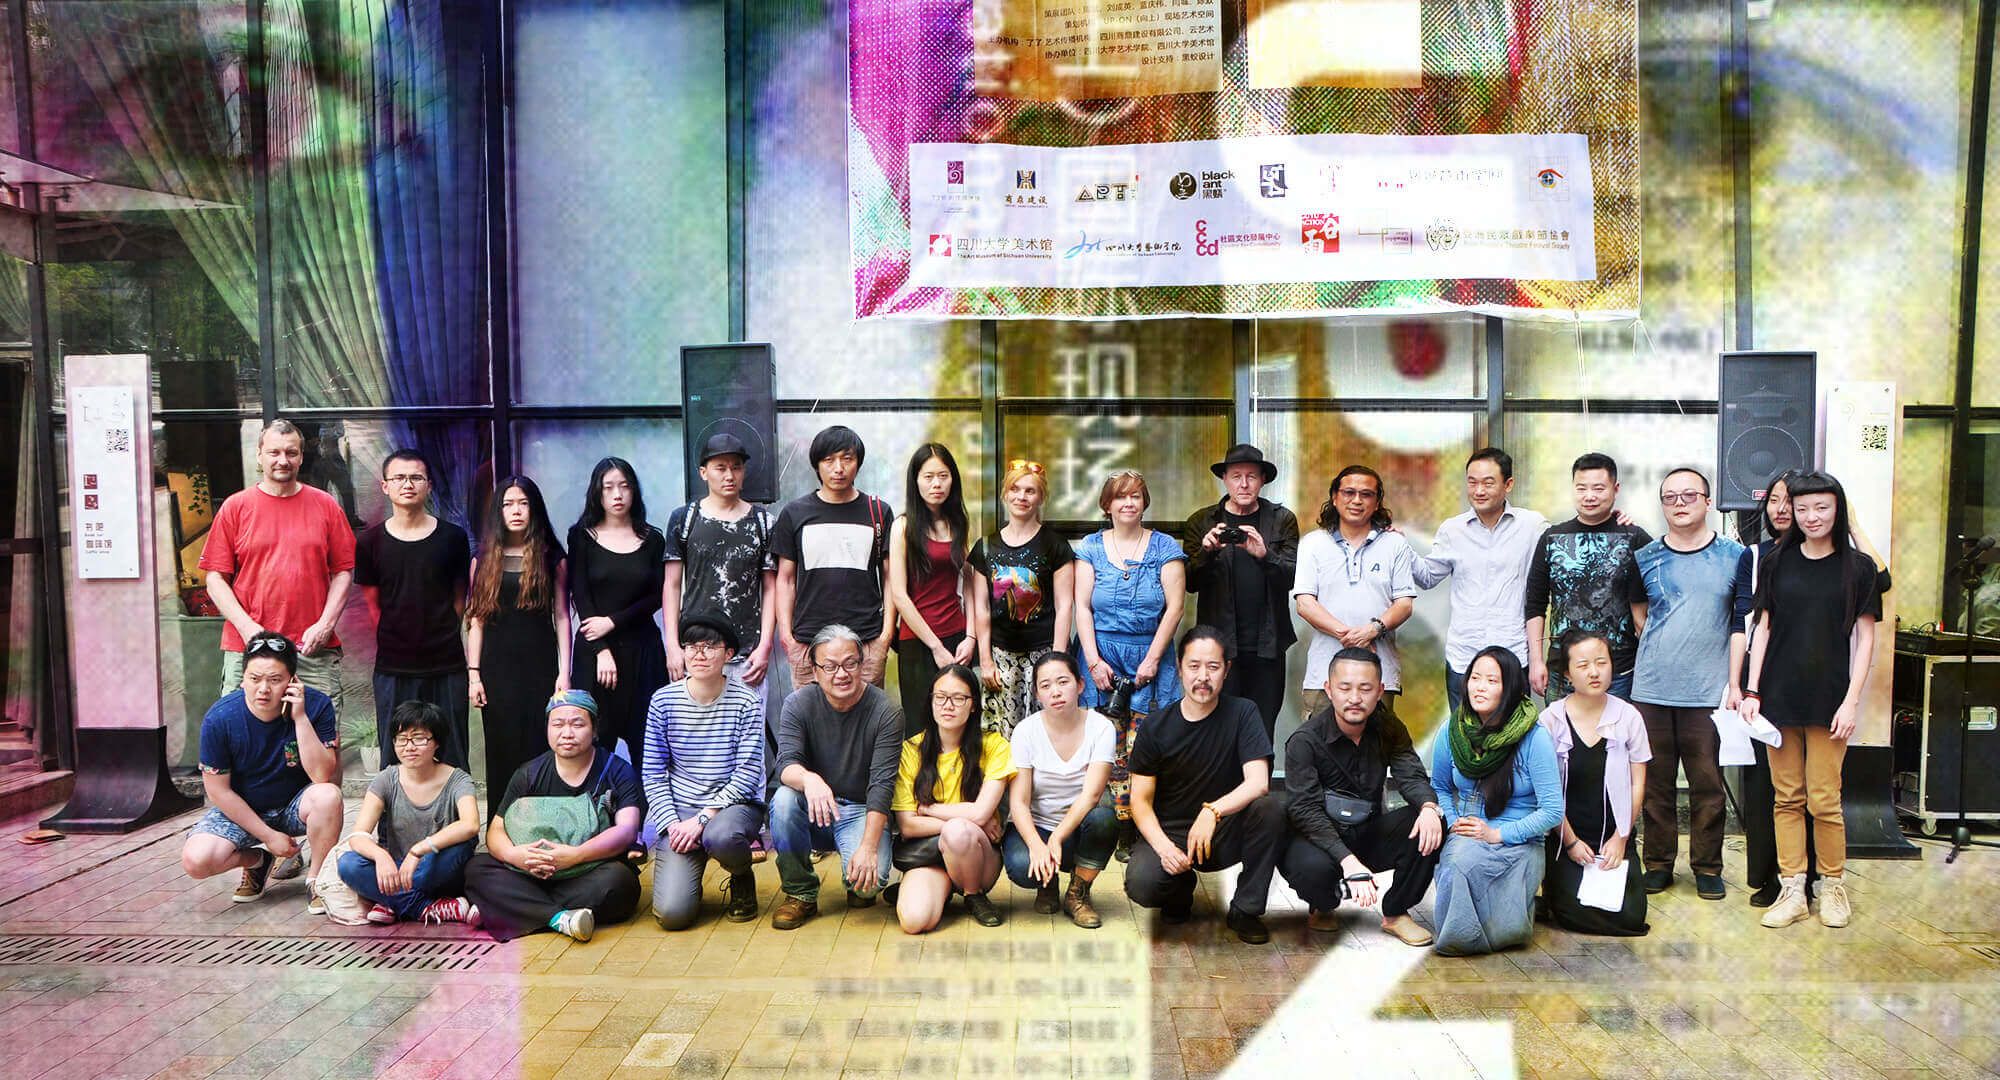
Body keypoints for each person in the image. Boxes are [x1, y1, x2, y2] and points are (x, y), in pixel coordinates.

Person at [198, 419, 354, 882]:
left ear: (302, 456)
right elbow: (215, 577)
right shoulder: (236, 508)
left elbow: (344, 571)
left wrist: (326, 622)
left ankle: (322, 865)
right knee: (244, 748)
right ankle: (261, 850)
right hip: (248, 650)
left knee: (324, 757)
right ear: (259, 454)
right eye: (274, 452)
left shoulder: (325, 506)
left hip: (312, 647)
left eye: (291, 452)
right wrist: (248, 628)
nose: (282, 460)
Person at [1740, 471, 1884, 930]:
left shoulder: (1857, 568)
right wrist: (1752, 690)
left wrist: (1851, 701)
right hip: (1779, 697)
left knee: (1824, 799)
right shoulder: (1777, 561)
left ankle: (1833, 886)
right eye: (1802, 508)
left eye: (1821, 507)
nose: (1810, 516)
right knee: (1786, 798)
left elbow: (1865, 639)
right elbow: (1762, 627)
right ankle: (1793, 889)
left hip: (1830, 700)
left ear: (1837, 509)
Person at [1123, 627, 1289, 945]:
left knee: (1270, 809)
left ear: (1226, 670)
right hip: (1173, 834)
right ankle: (1178, 890)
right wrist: (1165, 849)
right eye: (1194, 666)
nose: (1203, 676)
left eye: (1213, 667)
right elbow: (1140, 801)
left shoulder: (1243, 713)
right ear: (1179, 668)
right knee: (1143, 884)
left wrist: (1212, 812)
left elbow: (1258, 782)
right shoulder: (1155, 727)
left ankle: (1245, 910)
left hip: (1225, 830)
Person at [1631, 467, 1749, 900]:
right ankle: (1658, 863)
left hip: (1708, 692)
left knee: (1707, 785)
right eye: (1670, 497)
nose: (1679, 504)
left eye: (1689, 495)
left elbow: (1741, 621)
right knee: (1655, 785)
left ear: (1707, 501)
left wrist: (1735, 683)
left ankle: (1707, 867)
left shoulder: (1735, 556)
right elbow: (1639, 613)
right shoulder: (1645, 557)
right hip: (1652, 688)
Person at [1280, 647, 1441, 945]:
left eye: (1365, 689)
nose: (1355, 698)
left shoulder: (1388, 727)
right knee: (1310, 870)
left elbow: (1410, 774)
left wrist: (1429, 807)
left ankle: (1396, 913)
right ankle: (1324, 903)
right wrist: (1348, 862)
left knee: (1428, 823)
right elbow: (1305, 811)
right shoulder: (1305, 741)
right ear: (1329, 690)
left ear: (1380, 691)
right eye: (1345, 688)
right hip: (1321, 839)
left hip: (1367, 831)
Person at [178, 632, 342, 914]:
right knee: (197, 861)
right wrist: (268, 836)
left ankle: (318, 880)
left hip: (295, 805)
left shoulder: (317, 705)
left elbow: (321, 775)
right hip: (245, 809)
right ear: (243, 678)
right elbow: (218, 791)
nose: (263, 689)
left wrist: (300, 717)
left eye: (275, 680)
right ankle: (257, 862)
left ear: (292, 681)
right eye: (254, 678)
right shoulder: (220, 718)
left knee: (328, 796)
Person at [463, 691, 645, 943]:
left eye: (577, 724)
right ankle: (559, 918)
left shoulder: (617, 770)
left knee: (620, 882)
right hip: (531, 873)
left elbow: (626, 830)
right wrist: (514, 855)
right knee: (477, 868)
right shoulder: (529, 773)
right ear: (548, 729)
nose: (567, 733)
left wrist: (575, 856)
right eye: (558, 724)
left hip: (587, 871)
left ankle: (506, 908)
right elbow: (496, 830)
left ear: (594, 730)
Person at [1074, 470, 1186, 851]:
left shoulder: (1165, 547)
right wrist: (1093, 662)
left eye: (1135, 496)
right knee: (1110, 745)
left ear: (1144, 502)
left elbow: (1175, 608)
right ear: (1107, 504)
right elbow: (1082, 607)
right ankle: (1121, 826)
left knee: (1148, 744)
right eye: (1120, 497)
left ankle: (1146, 823)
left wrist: (1152, 660)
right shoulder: (1090, 548)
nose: (1128, 503)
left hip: (1150, 656)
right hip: (1102, 656)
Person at [1429, 645, 1563, 956]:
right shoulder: (1452, 730)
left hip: (1520, 837)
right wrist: (1453, 822)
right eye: (1475, 678)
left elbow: (1553, 810)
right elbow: (1439, 786)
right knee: (1460, 862)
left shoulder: (1534, 736)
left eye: (1492, 681)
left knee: (1507, 927)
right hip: (1468, 829)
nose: (1480, 687)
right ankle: (1460, 939)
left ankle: (1500, 930)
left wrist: (1497, 834)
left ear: (1510, 687)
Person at [769, 625, 903, 929]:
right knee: (784, 800)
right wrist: (810, 780)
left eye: (849, 663)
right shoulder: (798, 704)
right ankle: (800, 892)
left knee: (868, 885)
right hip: (815, 807)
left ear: (862, 664)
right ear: (815, 671)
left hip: (860, 808)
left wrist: (868, 848)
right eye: (830, 666)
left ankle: (855, 878)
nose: (841, 674)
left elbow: (882, 786)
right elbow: (786, 764)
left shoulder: (886, 711)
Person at [642, 616, 767, 929]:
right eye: (692, 646)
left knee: (721, 836)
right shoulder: (663, 701)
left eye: (710, 646)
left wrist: (702, 819)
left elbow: (747, 774)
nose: (699, 654)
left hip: (731, 808)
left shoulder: (746, 701)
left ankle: (740, 874)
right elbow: (653, 774)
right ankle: (687, 883)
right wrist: (672, 824)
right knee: (672, 915)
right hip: (681, 810)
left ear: (728, 654)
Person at [356, 449, 472, 770]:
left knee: (451, 752)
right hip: (394, 666)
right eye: (399, 478)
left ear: (429, 485)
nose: (407, 484)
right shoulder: (370, 542)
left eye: (416, 478)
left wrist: (442, 632)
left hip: (446, 663)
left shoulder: (453, 537)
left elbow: (459, 598)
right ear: (385, 486)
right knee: (396, 756)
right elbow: (373, 605)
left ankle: (455, 806)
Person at [662, 433, 778, 750]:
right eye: (720, 467)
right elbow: (672, 585)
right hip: (695, 652)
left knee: (747, 746)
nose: (729, 475)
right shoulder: (684, 519)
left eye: (736, 467)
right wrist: (672, 646)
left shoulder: (763, 522)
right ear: (704, 472)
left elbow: (771, 588)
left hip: (747, 657)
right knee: (695, 745)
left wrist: (765, 646)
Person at [1414, 448, 1550, 715]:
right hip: (1464, 657)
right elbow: (1427, 577)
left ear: (1508, 484)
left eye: (1488, 483)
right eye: (1472, 482)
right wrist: (1397, 545)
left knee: (1513, 734)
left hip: (1512, 655)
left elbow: (1564, 552)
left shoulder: (1532, 526)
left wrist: (1612, 521)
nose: (1478, 491)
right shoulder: (1452, 530)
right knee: (1464, 735)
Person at [1182, 444, 1300, 740]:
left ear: (1262, 480)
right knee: (1217, 730)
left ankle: (1259, 774)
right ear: (1225, 479)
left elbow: (1292, 578)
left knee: (1261, 729)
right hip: (1218, 647)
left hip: (1267, 645)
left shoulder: (1282, 519)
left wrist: (1264, 555)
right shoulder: (1202, 521)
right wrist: (1207, 552)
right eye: (1236, 476)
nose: (1244, 484)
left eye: (1251, 476)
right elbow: (1190, 583)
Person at [1537, 632, 1651, 936]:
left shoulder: (1628, 716)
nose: (1594, 672)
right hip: (1567, 837)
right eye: (1583, 665)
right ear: (1567, 673)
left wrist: (1621, 837)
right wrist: (1571, 842)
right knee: (1571, 912)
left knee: (1631, 918)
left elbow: (1637, 784)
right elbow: (1546, 792)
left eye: (1601, 662)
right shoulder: (1551, 720)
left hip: (1614, 835)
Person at [466, 476, 572, 797]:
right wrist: (474, 676)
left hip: (540, 666)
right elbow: (476, 620)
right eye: (508, 504)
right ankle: (500, 821)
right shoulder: (482, 559)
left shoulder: (553, 558)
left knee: (539, 743)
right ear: (498, 511)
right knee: (500, 746)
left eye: (523, 503)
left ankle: (541, 815)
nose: (516, 511)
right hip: (495, 670)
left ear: (534, 509)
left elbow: (562, 617)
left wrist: (564, 673)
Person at [891, 666, 1015, 933]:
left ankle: (973, 895)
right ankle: (941, 889)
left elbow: (981, 814)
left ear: (973, 705)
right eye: (941, 697)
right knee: (915, 921)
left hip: (979, 857)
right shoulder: (911, 750)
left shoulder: (995, 746)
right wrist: (971, 819)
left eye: (959, 698)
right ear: (931, 701)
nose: (948, 705)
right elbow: (908, 826)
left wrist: (928, 809)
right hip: (931, 855)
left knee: (959, 831)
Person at [774, 425, 897, 691]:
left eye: (846, 458)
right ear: (817, 465)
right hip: (808, 642)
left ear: (858, 463)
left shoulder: (878, 512)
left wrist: (885, 636)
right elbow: (785, 580)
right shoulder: (794, 514)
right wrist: (787, 639)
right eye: (829, 460)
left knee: (866, 714)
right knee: (809, 714)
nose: (838, 468)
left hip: (866, 641)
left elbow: (890, 579)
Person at [337, 701, 482, 926]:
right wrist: (381, 856)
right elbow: (358, 836)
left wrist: (418, 851)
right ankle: (426, 907)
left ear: (437, 742)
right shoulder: (386, 779)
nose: (409, 747)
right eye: (402, 739)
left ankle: (389, 901)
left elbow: (470, 825)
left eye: (419, 738)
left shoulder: (458, 779)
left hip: (436, 867)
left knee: (460, 850)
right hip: (396, 866)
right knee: (348, 864)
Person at [567, 457, 669, 769]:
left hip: (643, 651)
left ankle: (648, 802)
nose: (617, 494)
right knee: (596, 742)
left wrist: (612, 622)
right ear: (597, 493)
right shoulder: (581, 536)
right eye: (608, 487)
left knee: (648, 744)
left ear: (634, 491)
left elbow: (657, 596)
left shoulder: (653, 539)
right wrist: (601, 649)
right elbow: (581, 595)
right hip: (595, 652)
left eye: (624, 487)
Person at [1292, 465, 1417, 718]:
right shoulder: (1313, 543)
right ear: (1334, 497)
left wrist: (1373, 630)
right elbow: (1305, 603)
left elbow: (1404, 604)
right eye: (1349, 492)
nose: (1357, 500)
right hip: (1324, 674)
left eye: (1366, 494)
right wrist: (1349, 636)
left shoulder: (1395, 544)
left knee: (1377, 741)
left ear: (1377, 502)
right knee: (1320, 741)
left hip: (1380, 675)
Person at [1004, 651, 1118, 929]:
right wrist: (1037, 845)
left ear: (1080, 685)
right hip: (1037, 825)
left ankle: (1078, 893)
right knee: (1021, 866)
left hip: (1078, 827)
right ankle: (1047, 882)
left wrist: (1056, 838)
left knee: (1104, 817)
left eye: (1063, 682)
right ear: (1037, 694)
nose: (1055, 692)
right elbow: (1018, 802)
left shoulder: (1101, 728)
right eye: (1045, 685)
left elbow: (1092, 795)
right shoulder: (1025, 731)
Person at [1525, 452, 1652, 699]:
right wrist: (1536, 659)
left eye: (1598, 488)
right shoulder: (1552, 538)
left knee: (1616, 726)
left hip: (1619, 671)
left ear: (1615, 489)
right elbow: (1535, 603)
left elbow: (1656, 597)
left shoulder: (1634, 538)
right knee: (1560, 726)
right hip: (1563, 669)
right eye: (1581, 488)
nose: (1589, 496)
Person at [970, 459, 1074, 736]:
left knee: (1047, 731)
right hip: (1001, 656)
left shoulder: (1055, 545)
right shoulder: (985, 547)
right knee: (1005, 735)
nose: (1022, 497)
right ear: (1005, 494)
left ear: (1041, 497)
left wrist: (1057, 661)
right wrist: (985, 660)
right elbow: (981, 608)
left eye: (1030, 491)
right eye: (1015, 489)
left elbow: (1065, 606)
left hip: (1043, 651)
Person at [888, 444, 975, 736]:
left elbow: (969, 584)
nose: (936, 484)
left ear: (953, 480)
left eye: (943, 476)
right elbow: (899, 595)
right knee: (920, 725)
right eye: (928, 477)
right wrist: (935, 647)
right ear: (915, 481)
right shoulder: (903, 526)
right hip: (918, 641)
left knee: (958, 724)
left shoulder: (958, 523)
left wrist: (971, 637)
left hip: (957, 638)